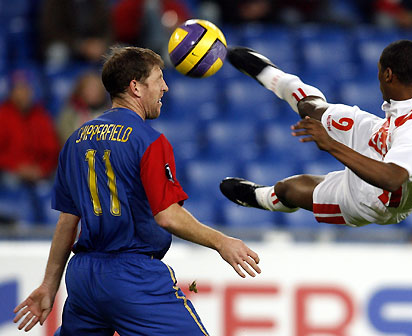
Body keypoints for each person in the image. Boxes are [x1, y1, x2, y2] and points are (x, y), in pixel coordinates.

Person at [13, 46, 261, 335]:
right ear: (136, 87)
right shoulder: (148, 141)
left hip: (83, 278)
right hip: (133, 277)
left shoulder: (76, 140)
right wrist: (221, 242)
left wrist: (48, 286)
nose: (165, 87)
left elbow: (67, 222)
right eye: (159, 79)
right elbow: (167, 216)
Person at [220, 41, 412, 227]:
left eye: (378, 71)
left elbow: (393, 178)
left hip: (381, 196)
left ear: (388, 75)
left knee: (289, 189)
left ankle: (261, 198)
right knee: (312, 109)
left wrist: (331, 144)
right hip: (384, 137)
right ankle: (271, 75)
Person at [0, 70, 60, 224]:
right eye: (19, 89)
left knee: (52, 185)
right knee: (10, 182)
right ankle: (19, 224)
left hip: (39, 172)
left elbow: (52, 150)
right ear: (12, 92)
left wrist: (41, 169)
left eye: (27, 89)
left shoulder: (41, 115)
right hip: (11, 171)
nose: (24, 93)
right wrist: (18, 168)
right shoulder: (3, 115)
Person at [56, 70, 109, 144]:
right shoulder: (70, 114)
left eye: (95, 88)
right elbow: (66, 139)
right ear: (81, 90)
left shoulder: (110, 113)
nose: (92, 92)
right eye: (89, 88)